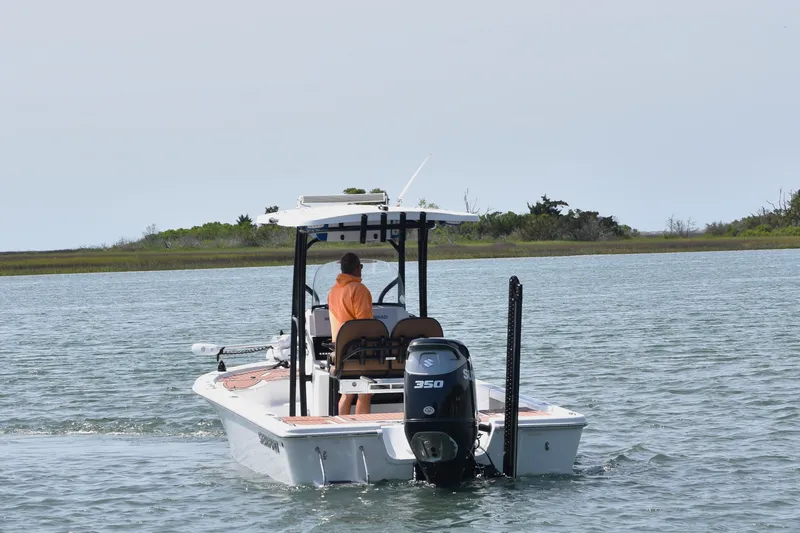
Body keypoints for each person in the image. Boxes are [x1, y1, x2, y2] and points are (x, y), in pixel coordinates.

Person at [328, 252, 374, 415]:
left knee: (347, 392)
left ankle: (342, 425)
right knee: (365, 391)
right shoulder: (358, 289)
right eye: (360, 267)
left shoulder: (334, 290)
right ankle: (364, 427)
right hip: (358, 348)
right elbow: (365, 323)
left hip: (340, 347)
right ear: (356, 269)